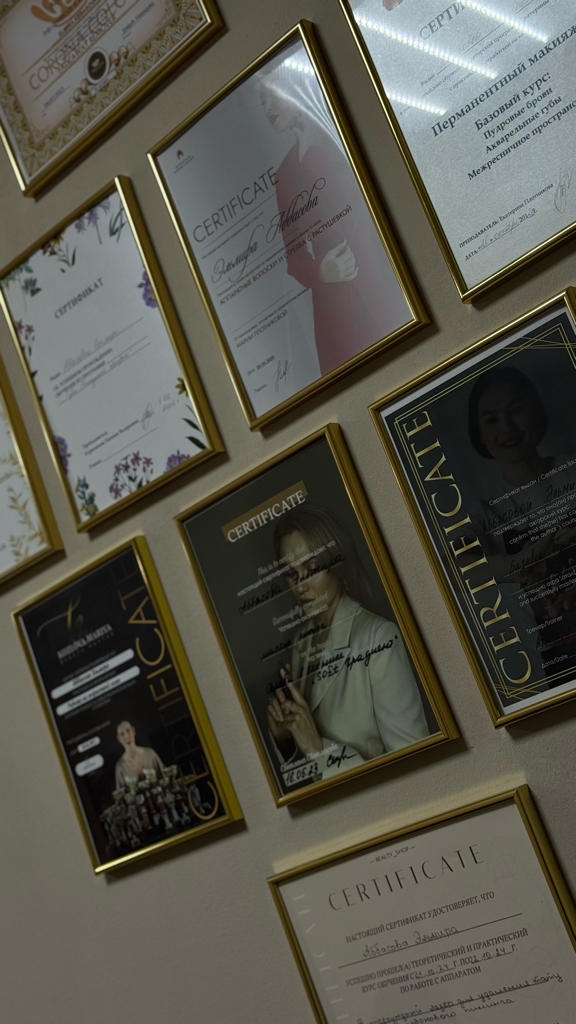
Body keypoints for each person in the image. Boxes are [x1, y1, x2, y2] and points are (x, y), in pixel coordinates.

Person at [258, 57, 409, 377]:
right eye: (261, 100)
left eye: (271, 94)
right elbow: (294, 259)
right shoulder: (285, 174)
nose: (266, 106)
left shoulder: (344, 136)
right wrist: (321, 272)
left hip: (385, 280)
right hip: (334, 309)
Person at [266, 504, 430, 780]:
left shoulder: (378, 637)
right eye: (292, 573)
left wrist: (319, 748)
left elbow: (417, 767)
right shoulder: (300, 642)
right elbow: (310, 763)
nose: (300, 585)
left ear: (337, 564)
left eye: (312, 568)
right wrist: (286, 738)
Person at [467, 365, 576, 679]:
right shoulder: (482, 513)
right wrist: (518, 564)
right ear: (480, 435)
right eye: (491, 419)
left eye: (515, 410)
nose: (507, 427)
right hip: (559, 666)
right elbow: (450, 567)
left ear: (535, 412)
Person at [114, 720, 166, 789]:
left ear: (133, 730)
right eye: (122, 734)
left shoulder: (150, 754)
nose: (126, 736)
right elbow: (122, 792)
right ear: (119, 739)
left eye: (128, 731)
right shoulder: (120, 767)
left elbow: (165, 777)